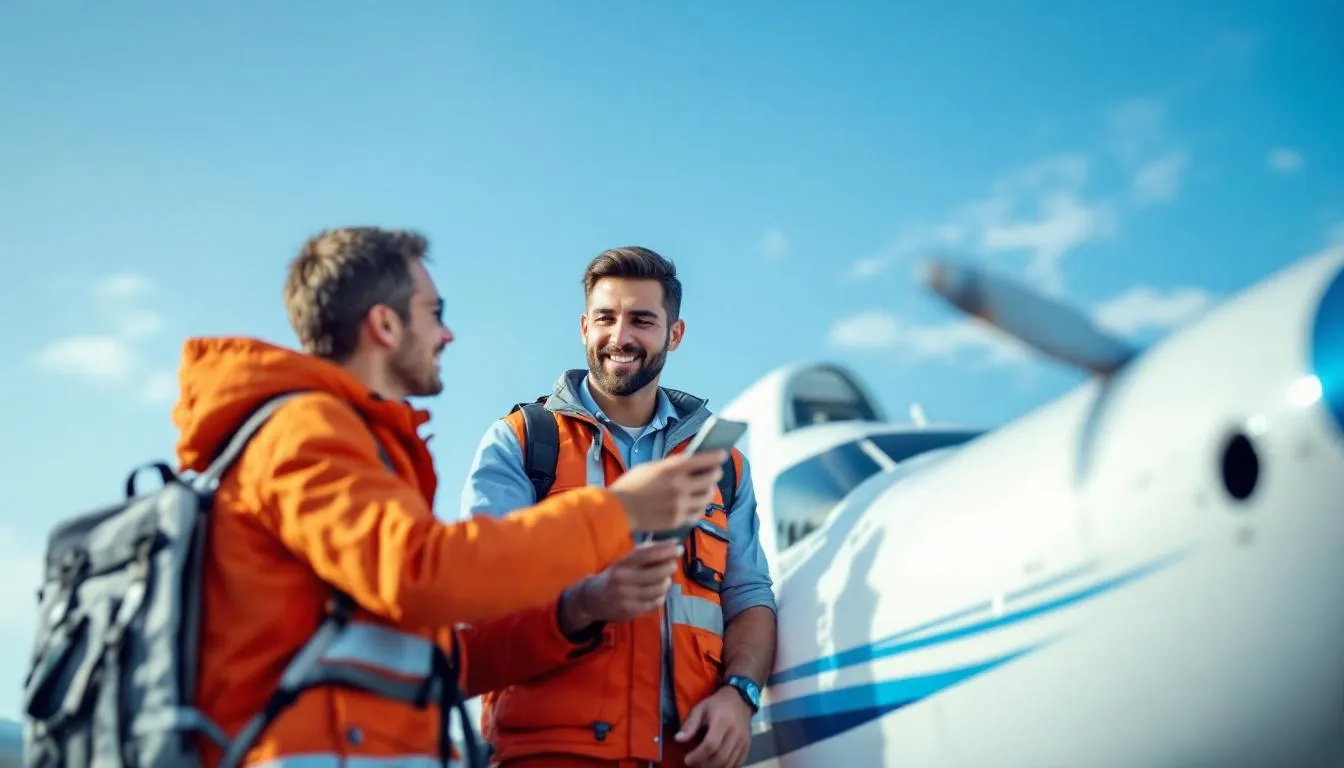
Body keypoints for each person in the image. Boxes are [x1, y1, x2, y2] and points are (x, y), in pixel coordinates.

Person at [171, 227, 727, 767]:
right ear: (385, 324)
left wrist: (576, 611)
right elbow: (422, 572)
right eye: (434, 313)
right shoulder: (305, 432)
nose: (448, 334)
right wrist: (619, 510)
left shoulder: (365, 447)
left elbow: (448, 662)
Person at [460, 246, 778, 767]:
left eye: (643, 320)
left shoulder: (724, 467)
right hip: (550, 753)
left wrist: (740, 695)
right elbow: (478, 588)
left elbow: (748, 597)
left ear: (674, 334)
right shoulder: (522, 442)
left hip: (688, 754)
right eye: (606, 318)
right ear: (585, 326)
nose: (621, 337)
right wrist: (584, 601)